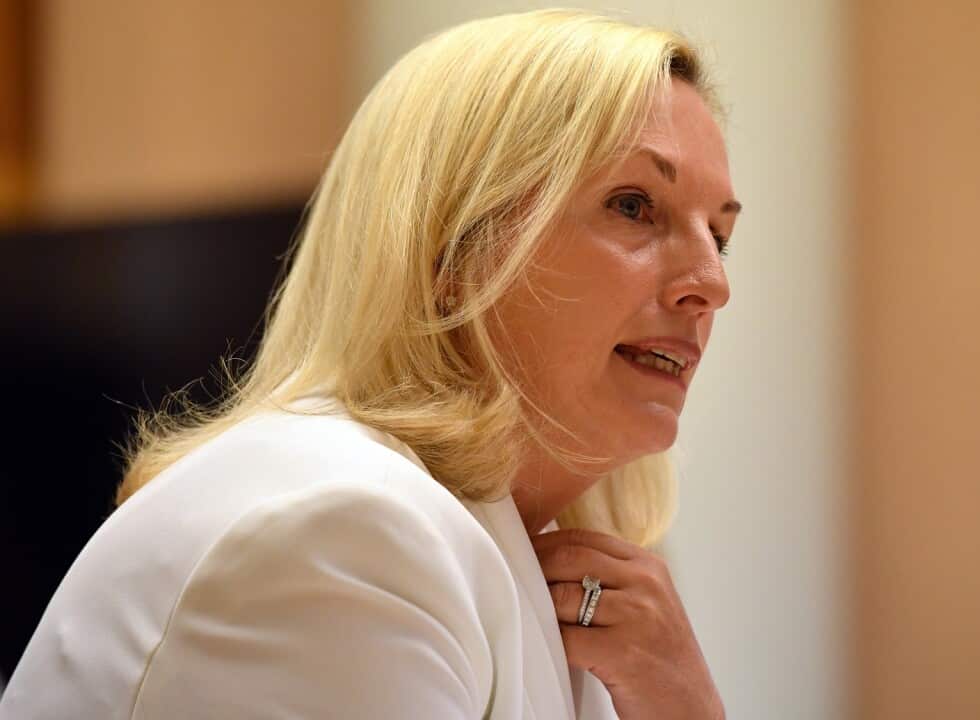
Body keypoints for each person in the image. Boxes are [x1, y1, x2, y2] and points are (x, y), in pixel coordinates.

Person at [0, 8, 740, 720]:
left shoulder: (541, 567)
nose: (712, 284)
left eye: (719, 233)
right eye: (635, 206)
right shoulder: (350, 534)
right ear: (453, 251)